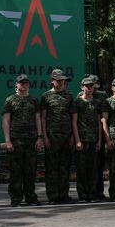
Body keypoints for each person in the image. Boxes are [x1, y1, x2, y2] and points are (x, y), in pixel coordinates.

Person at [1, 74, 43, 207]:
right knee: (16, 171)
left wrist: (40, 137)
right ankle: (16, 199)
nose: (24, 85)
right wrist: (8, 140)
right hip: (16, 140)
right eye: (22, 82)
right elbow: (6, 121)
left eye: (26, 82)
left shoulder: (34, 100)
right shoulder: (10, 100)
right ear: (17, 85)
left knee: (30, 171)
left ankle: (30, 197)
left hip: (31, 140)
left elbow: (38, 119)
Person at [40, 68, 75, 204]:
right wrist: (44, 137)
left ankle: (64, 194)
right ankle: (53, 196)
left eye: (63, 81)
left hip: (66, 136)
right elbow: (43, 118)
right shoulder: (45, 96)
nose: (62, 83)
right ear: (53, 81)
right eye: (59, 81)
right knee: (52, 168)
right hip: (52, 136)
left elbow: (72, 117)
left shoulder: (69, 96)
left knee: (64, 167)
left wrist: (72, 135)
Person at [71, 77, 102, 203]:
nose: (89, 88)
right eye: (87, 86)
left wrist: (100, 140)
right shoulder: (77, 102)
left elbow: (100, 123)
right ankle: (83, 195)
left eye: (91, 86)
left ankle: (92, 194)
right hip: (82, 139)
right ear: (82, 87)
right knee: (82, 169)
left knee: (93, 169)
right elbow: (74, 122)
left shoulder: (97, 103)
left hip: (94, 140)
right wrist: (77, 139)